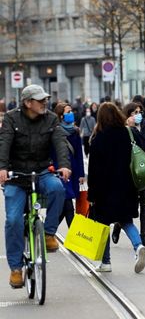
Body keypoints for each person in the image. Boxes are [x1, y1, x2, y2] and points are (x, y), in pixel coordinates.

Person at [0, 84, 71, 288]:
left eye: (45, 100)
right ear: (27, 103)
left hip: (41, 171)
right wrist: (2, 168)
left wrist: (64, 166)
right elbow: (4, 143)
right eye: (40, 100)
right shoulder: (12, 119)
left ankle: (48, 234)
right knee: (13, 220)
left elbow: (59, 142)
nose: (45, 103)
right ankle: (15, 269)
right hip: (16, 175)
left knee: (58, 188)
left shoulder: (50, 118)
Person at [88, 102, 145, 273]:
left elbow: (93, 170)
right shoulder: (127, 133)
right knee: (126, 221)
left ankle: (106, 262)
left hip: (104, 189)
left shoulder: (98, 138)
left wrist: (91, 195)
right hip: (126, 185)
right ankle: (138, 246)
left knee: (103, 225)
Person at [112, 102, 145, 249]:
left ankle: (144, 235)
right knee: (131, 205)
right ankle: (119, 225)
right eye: (134, 113)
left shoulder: (144, 128)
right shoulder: (124, 131)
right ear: (126, 116)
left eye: (139, 112)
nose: (138, 115)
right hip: (130, 172)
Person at [53, 102, 85, 227]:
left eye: (71, 111)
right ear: (61, 116)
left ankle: (48, 231)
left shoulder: (75, 131)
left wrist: (81, 174)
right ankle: (76, 241)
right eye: (68, 112)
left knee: (65, 208)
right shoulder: (54, 131)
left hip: (74, 171)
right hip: (60, 172)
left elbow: (79, 154)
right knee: (68, 206)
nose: (71, 114)